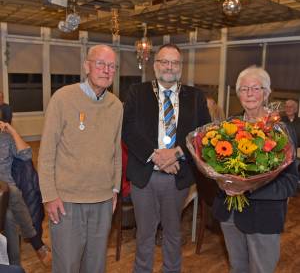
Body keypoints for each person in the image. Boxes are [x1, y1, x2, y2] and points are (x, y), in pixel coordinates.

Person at [122, 43, 210, 273]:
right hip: (145, 175)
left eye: (174, 62)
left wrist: (177, 153)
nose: (169, 67)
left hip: (178, 175)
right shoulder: (137, 92)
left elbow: (203, 134)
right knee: (145, 234)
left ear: (181, 66)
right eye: (164, 61)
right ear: (155, 65)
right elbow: (128, 129)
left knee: (173, 232)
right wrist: (156, 157)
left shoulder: (196, 96)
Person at [38, 44, 123, 273]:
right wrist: (49, 196)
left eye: (112, 66)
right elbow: (46, 153)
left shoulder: (116, 106)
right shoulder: (63, 98)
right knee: (66, 266)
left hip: (103, 201)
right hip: (66, 202)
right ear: (87, 66)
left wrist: (115, 189)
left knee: (95, 267)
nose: (106, 70)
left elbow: (115, 152)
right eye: (100, 64)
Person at [212, 66, 299, 273]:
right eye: (244, 89)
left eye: (255, 88)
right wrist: (222, 181)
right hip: (230, 215)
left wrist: (248, 187)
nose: (249, 93)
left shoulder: (281, 130)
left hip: (264, 218)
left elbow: (290, 183)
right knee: (237, 268)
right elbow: (214, 167)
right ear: (238, 93)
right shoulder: (228, 126)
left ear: (267, 93)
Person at [0, 121, 51, 267]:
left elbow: (27, 155)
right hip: (7, 192)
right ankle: (37, 243)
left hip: (6, 197)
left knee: (9, 215)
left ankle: (14, 266)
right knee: (14, 191)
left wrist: (12, 130)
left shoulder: (5, 138)